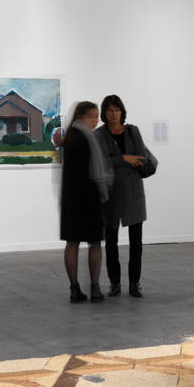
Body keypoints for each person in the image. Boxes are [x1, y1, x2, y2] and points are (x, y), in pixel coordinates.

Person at [95, 93, 158, 298]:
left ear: (122, 112)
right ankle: (114, 283)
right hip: (109, 192)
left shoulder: (132, 131)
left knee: (136, 242)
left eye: (117, 110)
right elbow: (99, 161)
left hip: (133, 190)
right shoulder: (98, 135)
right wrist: (123, 158)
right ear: (104, 113)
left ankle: (134, 283)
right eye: (110, 110)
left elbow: (141, 157)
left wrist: (116, 160)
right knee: (111, 241)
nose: (113, 114)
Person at [59, 100, 111, 302]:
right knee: (94, 243)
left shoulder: (71, 137)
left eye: (97, 116)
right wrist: (103, 190)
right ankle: (95, 288)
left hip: (71, 200)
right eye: (92, 116)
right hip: (88, 198)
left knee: (73, 242)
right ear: (81, 116)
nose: (96, 120)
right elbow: (93, 172)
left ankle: (75, 289)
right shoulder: (85, 138)